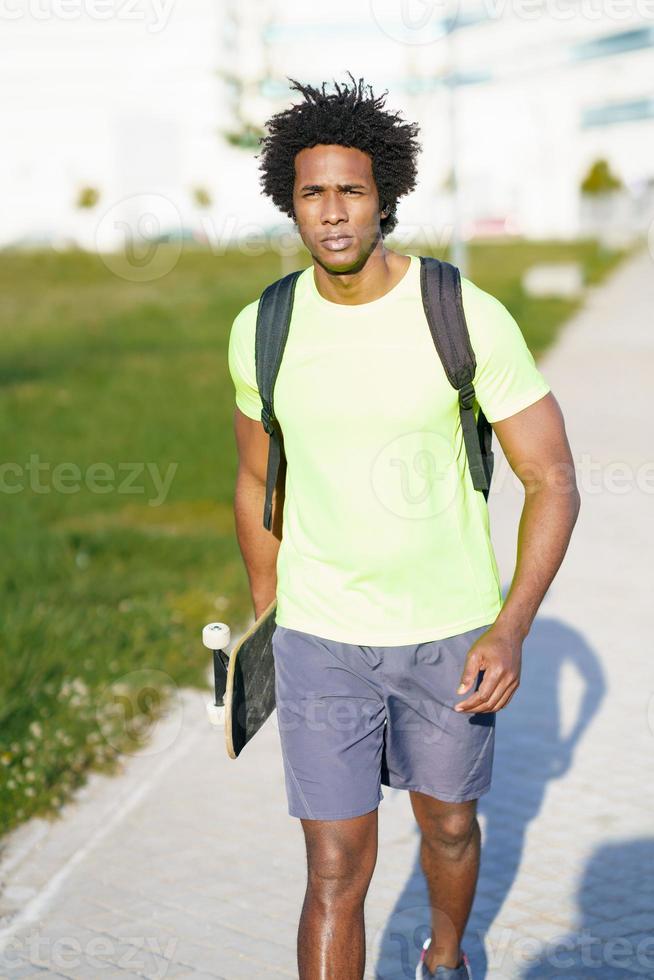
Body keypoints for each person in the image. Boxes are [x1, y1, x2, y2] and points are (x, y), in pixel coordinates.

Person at [227, 72, 580, 980]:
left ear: (384, 197)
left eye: (352, 190)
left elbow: (553, 480)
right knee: (335, 867)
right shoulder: (262, 328)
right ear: (290, 204)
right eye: (313, 193)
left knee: (449, 827)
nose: (333, 213)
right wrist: (268, 612)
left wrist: (510, 628)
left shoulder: (459, 312)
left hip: (449, 633)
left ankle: (447, 955)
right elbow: (256, 477)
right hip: (321, 641)